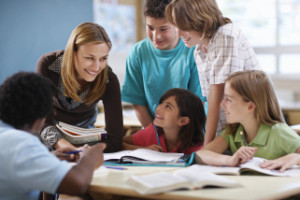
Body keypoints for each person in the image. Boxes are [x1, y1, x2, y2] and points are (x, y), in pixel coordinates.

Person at [166, 0, 261, 146]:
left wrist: (207, 146)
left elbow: (217, 98)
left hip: (252, 132)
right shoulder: (198, 50)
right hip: (229, 133)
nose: (178, 34)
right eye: (176, 27)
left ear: (199, 19)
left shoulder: (225, 36)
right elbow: (208, 100)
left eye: (183, 27)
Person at [0, 72, 106, 199]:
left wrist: (45, 158)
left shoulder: (9, 141)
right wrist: (89, 159)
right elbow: (77, 183)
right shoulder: (21, 144)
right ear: (37, 121)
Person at [36, 22, 123, 152]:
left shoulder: (109, 79)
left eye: (103, 58)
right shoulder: (47, 65)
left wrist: (81, 151)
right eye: (90, 58)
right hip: (50, 136)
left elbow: (115, 140)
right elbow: (42, 122)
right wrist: (65, 147)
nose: (96, 67)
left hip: (86, 136)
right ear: (73, 53)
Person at [121, 0, 205, 128]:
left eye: (163, 29)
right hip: (154, 131)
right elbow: (138, 103)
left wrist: (181, 139)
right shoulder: (137, 53)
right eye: (150, 28)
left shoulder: (194, 52)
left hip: (190, 130)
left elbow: (198, 104)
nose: (156, 36)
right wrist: (156, 136)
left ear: (178, 25)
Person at [194, 70, 300, 166]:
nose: (222, 104)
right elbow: (201, 154)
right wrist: (230, 160)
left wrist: (295, 157)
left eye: (229, 99)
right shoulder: (232, 132)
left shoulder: (279, 132)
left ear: (250, 106)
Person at [123, 88, 206, 154]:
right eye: (161, 103)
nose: (158, 108)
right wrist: (143, 149)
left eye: (168, 107)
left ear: (183, 121)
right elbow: (117, 143)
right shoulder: (152, 132)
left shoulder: (198, 148)